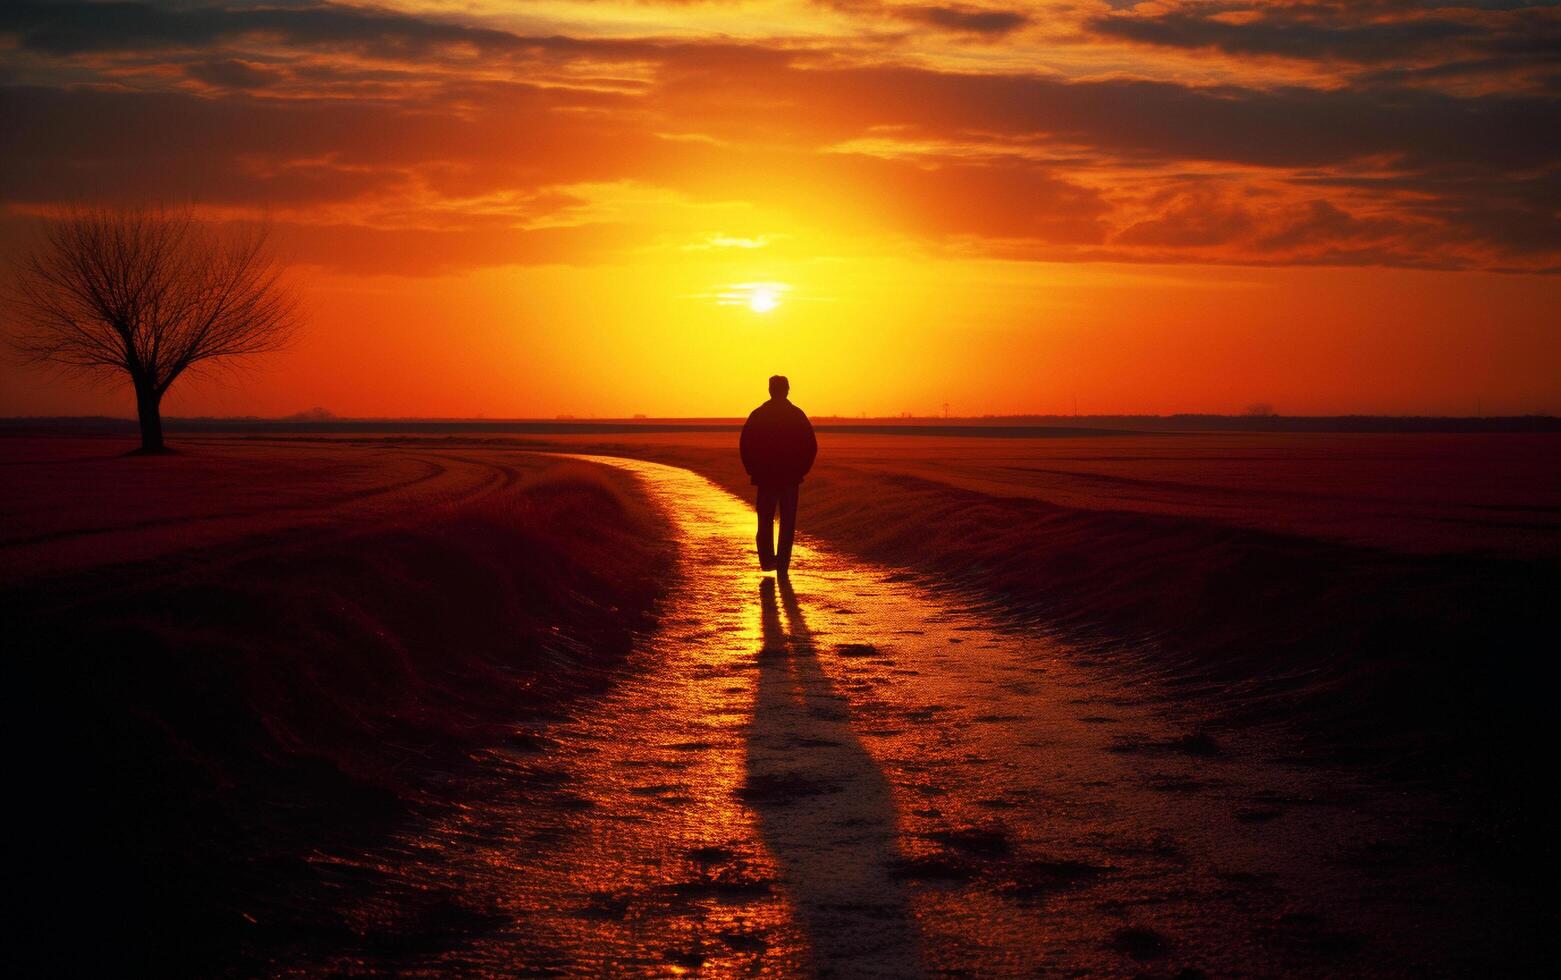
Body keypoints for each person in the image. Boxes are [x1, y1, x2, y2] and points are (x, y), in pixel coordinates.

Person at [739, 375, 817, 575]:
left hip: (766, 478)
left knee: (765, 520)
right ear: (787, 390)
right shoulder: (797, 415)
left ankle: (767, 562)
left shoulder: (758, 415)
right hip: (789, 478)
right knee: (787, 522)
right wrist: (801, 471)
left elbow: (745, 445)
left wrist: (753, 470)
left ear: (770, 390)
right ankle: (782, 565)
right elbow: (811, 447)